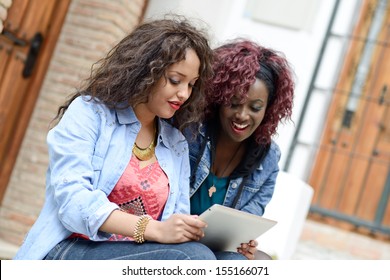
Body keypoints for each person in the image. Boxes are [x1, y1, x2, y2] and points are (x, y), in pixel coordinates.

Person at [14, 16, 216, 260]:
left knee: (231, 262)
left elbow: (176, 219)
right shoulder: (90, 113)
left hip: (135, 256)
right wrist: (153, 229)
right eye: (175, 80)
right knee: (194, 258)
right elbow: (74, 202)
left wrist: (191, 230)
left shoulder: (176, 143)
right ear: (145, 70)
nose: (184, 93)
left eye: (192, 84)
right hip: (71, 247)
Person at [184, 39, 295, 260]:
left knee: (255, 262)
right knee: (200, 256)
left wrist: (243, 243)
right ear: (218, 99)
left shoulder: (268, 159)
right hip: (176, 239)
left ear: (269, 109)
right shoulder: (190, 134)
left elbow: (246, 223)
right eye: (233, 103)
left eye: (255, 107)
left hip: (216, 250)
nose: (242, 116)